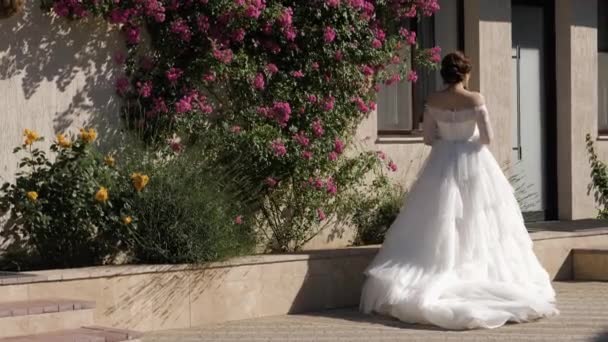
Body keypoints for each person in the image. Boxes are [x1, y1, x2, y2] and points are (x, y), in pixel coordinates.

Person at [359, 51, 559, 330]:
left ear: (443, 74)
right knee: (479, 219)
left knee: (438, 219)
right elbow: (487, 138)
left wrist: (446, 138)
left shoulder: (432, 100)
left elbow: (428, 138)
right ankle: (476, 269)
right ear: (465, 74)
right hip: (475, 161)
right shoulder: (476, 99)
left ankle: (442, 267)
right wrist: (467, 138)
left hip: (441, 162)